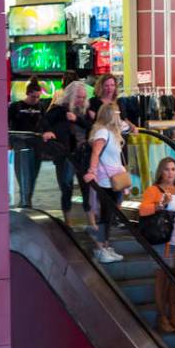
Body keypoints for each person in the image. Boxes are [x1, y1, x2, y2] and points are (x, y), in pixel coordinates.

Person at [139, 157, 175, 332]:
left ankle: (174, 316)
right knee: (162, 280)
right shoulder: (154, 190)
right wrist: (161, 204)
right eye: (167, 169)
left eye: (173, 169)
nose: (170, 173)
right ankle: (162, 317)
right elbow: (143, 209)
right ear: (161, 171)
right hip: (163, 242)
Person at [39, 81, 95, 227]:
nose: (81, 100)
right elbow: (43, 121)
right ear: (70, 96)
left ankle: (91, 222)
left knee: (87, 188)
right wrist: (47, 131)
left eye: (83, 97)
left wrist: (77, 119)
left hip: (83, 154)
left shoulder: (85, 111)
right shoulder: (59, 109)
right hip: (66, 155)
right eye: (78, 97)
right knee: (67, 187)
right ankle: (68, 223)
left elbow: (92, 127)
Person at [82, 104, 127, 263]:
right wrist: (92, 171)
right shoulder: (103, 132)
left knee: (109, 215)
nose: (118, 115)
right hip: (106, 180)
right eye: (117, 113)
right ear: (110, 115)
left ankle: (105, 245)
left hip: (113, 178)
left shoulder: (112, 131)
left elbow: (127, 126)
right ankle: (100, 247)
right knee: (106, 215)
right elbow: (96, 152)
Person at [8, 76, 46, 207]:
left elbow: (44, 124)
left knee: (33, 174)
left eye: (38, 97)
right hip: (21, 144)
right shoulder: (15, 107)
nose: (36, 100)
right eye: (33, 97)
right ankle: (25, 201)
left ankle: (28, 199)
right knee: (24, 173)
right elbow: (8, 124)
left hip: (37, 144)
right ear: (27, 94)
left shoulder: (41, 107)